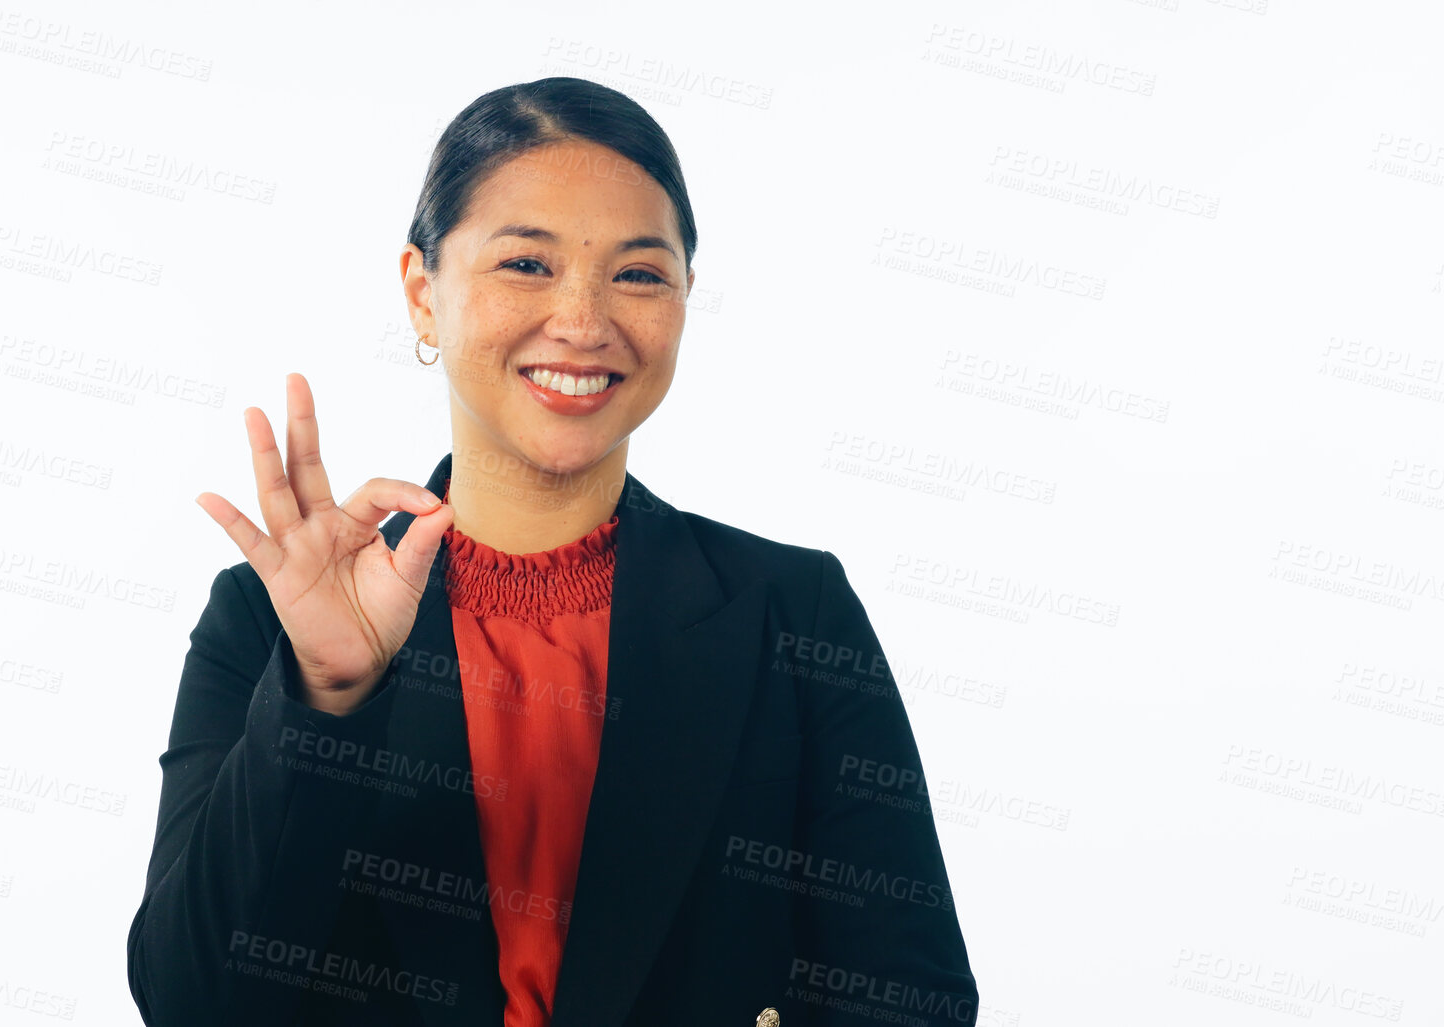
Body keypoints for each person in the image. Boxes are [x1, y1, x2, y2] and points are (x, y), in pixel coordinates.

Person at [126, 76, 978, 1027]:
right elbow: (193, 1003)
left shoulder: (793, 610)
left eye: (638, 273)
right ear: (421, 292)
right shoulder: (266, 618)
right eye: (526, 265)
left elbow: (913, 998)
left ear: (685, 298)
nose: (582, 319)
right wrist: (326, 698)